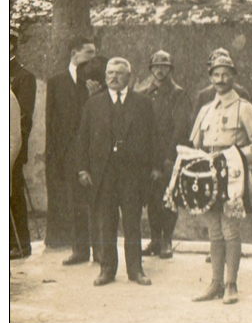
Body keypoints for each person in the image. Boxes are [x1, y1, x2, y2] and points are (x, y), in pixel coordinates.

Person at [190, 54, 252, 304]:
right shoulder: (205, 110)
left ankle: (231, 284)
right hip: (209, 176)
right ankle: (215, 283)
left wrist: (236, 155)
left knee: (229, 230)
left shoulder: (243, 108)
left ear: (234, 77)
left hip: (232, 176)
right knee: (214, 231)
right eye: (216, 74)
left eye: (226, 74)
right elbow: (195, 143)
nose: (221, 79)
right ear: (210, 77)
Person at [75, 57, 159, 286]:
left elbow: (153, 137)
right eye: (110, 73)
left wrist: (154, 167)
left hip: (132, 174)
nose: (113, 77)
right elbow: (82, 139)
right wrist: (83, 169)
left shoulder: (142, 103)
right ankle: (107, 270)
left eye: (119, 73)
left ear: (129, 77)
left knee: (132, 223)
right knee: (106, 222)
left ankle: (136, 270)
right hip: (103, 174)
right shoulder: (94, 104)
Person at [46, 35, 100, 262]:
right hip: (69, 151)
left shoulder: (99, 80)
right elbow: (52, 122)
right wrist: (55, 155)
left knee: (97, 200)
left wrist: (94, 95)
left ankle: (100, 250)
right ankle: (80, 250)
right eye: (89, 53)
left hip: (94, 149)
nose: (93, 58)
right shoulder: (56, 82)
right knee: (75, 202)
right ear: (74, 54)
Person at [139, 50, 191, 260]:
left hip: (169, 154)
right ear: (151, 69)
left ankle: (167, 240)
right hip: (149, 156)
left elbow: (181, 128)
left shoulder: (178, 94)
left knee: (168, 198)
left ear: (171, 69)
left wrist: (169, 157)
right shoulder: (144, 94)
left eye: (165, 66)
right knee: (152, 199)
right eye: (156, 67)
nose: (160, 71)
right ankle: (155, 239)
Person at [9, 36, 36, 259]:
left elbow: (24, 118)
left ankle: (21, 244)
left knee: (13, 193)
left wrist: (14, 152)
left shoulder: (23, 77)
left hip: (13, 146)